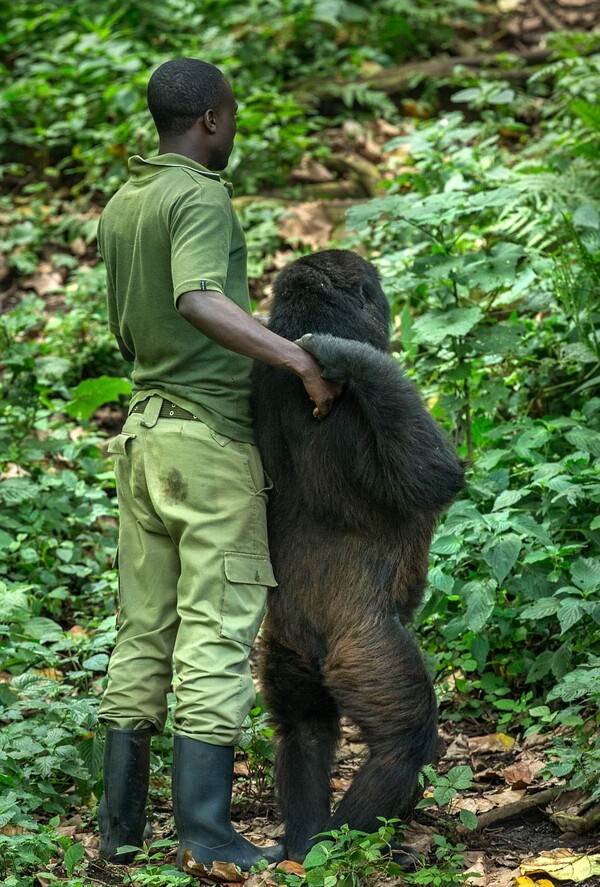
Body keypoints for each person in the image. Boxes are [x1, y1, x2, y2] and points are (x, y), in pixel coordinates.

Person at [96, 57, 339, 871]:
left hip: (143, 438)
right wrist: (296, 361)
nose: (231, 130)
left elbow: (131, 329)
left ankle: (121, 830)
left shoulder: (125, 202)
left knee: (142, 633)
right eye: (231, 116)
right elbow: (198, 299)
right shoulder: (198, 194)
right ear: (209, 119)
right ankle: (206, 832)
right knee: (216, 633)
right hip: (205, 446)